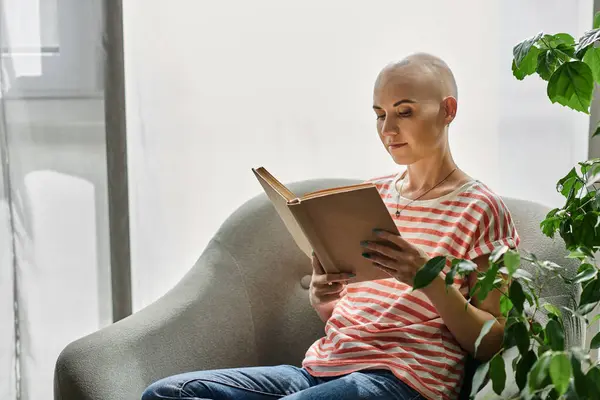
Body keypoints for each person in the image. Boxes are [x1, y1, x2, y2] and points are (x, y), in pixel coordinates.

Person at [141, 53, 520, 400]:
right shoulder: (374, 195)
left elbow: (492, 340)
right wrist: (325, 299)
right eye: (379, 114)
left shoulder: (481, 209)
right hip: (321, 370)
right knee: (165, 394)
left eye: (404, 112)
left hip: (402, 380)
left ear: (447, 110)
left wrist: (429, 279)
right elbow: (360, 309)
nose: (388, 129)